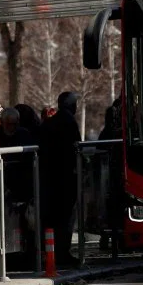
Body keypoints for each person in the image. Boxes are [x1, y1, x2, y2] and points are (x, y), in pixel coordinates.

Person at [40, 91, 81, 268]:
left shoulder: (49, 123)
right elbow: (75, 149)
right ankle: (63, 254)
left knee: (52, 217)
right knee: (66, 218)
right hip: (66, 177)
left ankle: (51, 253)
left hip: (49, 177)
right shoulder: (70, 123)